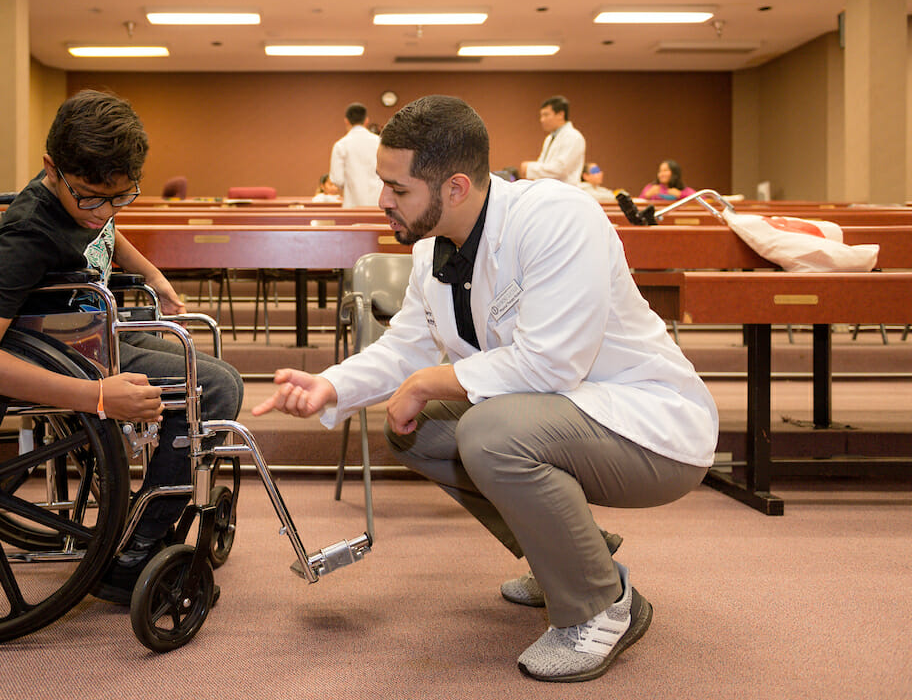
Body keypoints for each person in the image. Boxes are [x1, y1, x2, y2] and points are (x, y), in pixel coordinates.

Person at [252, 95, 717, 683]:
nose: (382, 201)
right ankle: (570, 553)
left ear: (455, 187)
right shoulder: (431, 255)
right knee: (416, 431)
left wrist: (425, 381)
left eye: (398, 189)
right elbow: (406, 350)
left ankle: (601, 605)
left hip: (650, 427)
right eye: (382, 184)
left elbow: (551, 366)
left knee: (489, 432)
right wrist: (330, 385)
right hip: (564, 417)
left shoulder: (557, 217)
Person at [0, 89, 244, 604]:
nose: (102, 210)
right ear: (51, 168)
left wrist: (152, 273)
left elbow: (104, 230)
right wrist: (100, 399)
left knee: (217, 374)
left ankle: (147, 519)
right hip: (63, 350)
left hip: (92, 331)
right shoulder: (28, 235)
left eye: (121, 196)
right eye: (89, 195)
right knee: (212, 388)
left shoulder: (82, 204)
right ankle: (132, 550)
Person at [520, 95, 585, 185]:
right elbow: (542, 163)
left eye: (546, 115)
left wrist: (530, 167)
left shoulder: (573, 137)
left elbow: (560, 169)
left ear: (560, 115)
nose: (542, 120)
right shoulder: (549, 138)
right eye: (541, 116)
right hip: (549, 189)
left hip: (565, 191)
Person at [329, 102, 382, 207]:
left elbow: (337, 179)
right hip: (378, 203)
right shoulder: (380, 142)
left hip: (352, 204)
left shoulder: (341, 145)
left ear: (346, 121)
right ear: (366, 120)